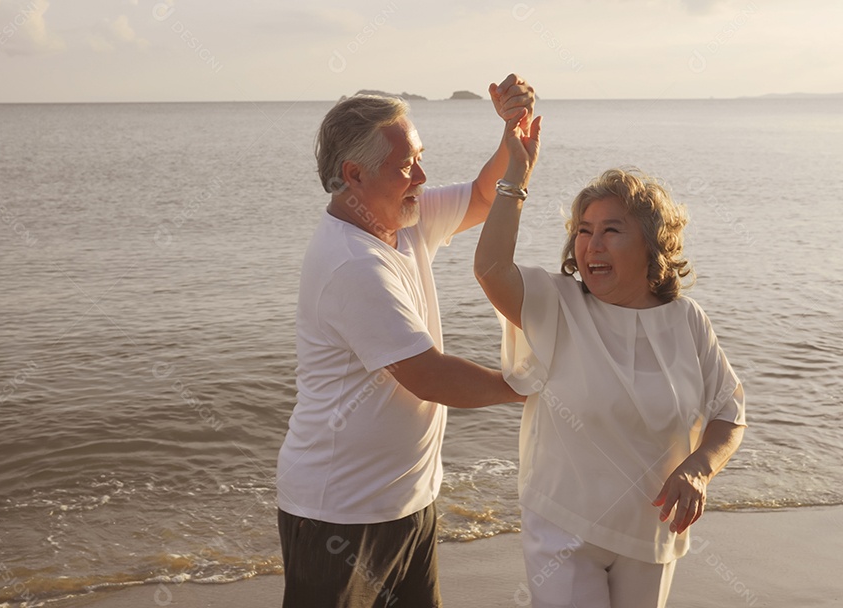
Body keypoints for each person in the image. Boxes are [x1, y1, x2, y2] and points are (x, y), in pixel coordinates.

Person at [277, 75, 536, 608]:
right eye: (405, 165)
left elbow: (485, 198)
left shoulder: (404, 218)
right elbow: (430, 376)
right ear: (354, 175)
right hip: (339, 512)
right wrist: (533, 388)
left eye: (419, 157)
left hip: (408, 501)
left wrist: (513, 136)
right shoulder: (352, 262)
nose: (422, 174)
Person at [474, 113, 747, 607]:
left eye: (611, 230)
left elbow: (729, 413)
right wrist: (516, 175)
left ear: (651, 244)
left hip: (651, 530)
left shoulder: (687, 321)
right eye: (583, 230)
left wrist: (699, 469)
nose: (591, 245)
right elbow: (491, 268)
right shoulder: (556, 305)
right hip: (564, 526)